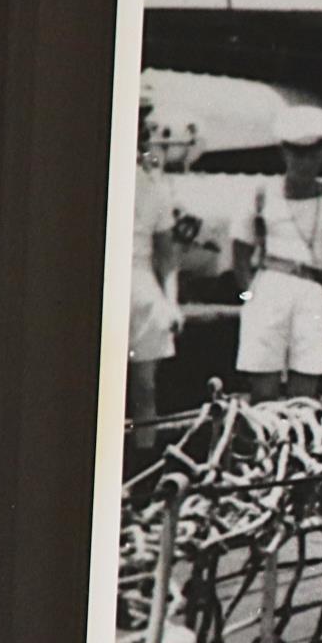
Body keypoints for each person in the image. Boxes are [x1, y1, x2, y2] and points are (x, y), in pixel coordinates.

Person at [229, 105, 322, 402]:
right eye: (296, 153)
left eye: (313, 154)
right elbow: (240, 255)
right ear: (284, 153)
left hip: (313, 294)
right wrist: (248, 299)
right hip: (268, 289)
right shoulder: (261, 195)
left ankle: (298, 447)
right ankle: (263, 448)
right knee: (263, 388)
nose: (304, 162)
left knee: (305, 388)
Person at [128, 91, 184, 465]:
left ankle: (140, 474)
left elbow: (166, 251)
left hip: (141, 283)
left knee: (144, 388)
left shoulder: (154, 181)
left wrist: (172, 301)